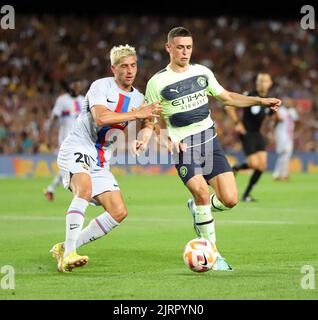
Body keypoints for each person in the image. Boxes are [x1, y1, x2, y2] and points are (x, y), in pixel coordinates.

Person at [144, 27, 281, 271]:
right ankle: (214, 255)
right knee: (203, 194)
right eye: (179, 47)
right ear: (169, 48)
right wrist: (167, 142)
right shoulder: (157, 82)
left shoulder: (202, 73)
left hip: (209, 142)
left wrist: (260, 100)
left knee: (230, 199)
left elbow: (226, 97)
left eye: (188, 47)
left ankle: (197, 208)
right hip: (183, 147)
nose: (185, 52)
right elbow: (149, 121)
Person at [50, 44, 160, 272]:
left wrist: (145, 134)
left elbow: (150, 119)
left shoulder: (139, 97)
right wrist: (138, 114)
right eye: (124, 66)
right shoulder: (100, 87)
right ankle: (69, 255)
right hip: (78, 146)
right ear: (113, 68)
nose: (130, 71)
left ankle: (64, 247)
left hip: (101, 160)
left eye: (133, 65)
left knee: (119, 211)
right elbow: (101, 118)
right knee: (85, 189)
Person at [226, 73, 275, 202]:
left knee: (262, 166)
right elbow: (229, 106)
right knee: (254, 164)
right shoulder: (249, 95)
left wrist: (275, 115)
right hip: (246, 133)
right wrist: (237, 123)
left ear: (270, 83)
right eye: (259, 80)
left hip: (258, 134)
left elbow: (269, 116)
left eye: (264, 80)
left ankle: (246, 194)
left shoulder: (268, 100)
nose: (261, 83)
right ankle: (235, 168)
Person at [43, 79, 85, 201]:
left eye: (79, 86)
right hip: (65, 139)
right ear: (70, 87)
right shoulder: (62, 100)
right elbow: (53, 119)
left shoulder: (83, 100)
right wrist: (48, 138)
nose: (77, 88)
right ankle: (77, 192)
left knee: (71, 166)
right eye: (75, 86)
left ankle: (50, 189)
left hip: (81, 138)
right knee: (70, 165)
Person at [272, 97, 299, 181]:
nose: (288, 103)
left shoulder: (293, 111)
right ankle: (282, 174)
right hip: (281, 134)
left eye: (290, 101)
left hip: (289, 136)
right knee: (284, 152)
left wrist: (296, 132)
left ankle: (278, 174)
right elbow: (275, 120)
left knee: (286, 154)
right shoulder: (280, 110)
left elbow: (297, 121)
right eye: (287, 101)